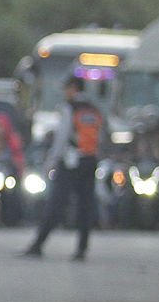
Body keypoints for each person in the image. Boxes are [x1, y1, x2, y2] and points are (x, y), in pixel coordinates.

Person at [22, 75, 104, 260]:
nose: (64, 93)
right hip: (90, 162)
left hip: (70, 163)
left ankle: (38, 244)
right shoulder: (94, 110)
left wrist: (50, 163)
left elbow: (61, 139)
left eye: (66, 89)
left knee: (55, 204)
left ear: (74, 88)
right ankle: (82, 249)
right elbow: (101, 138)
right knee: (85, 207)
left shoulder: (69, 109)